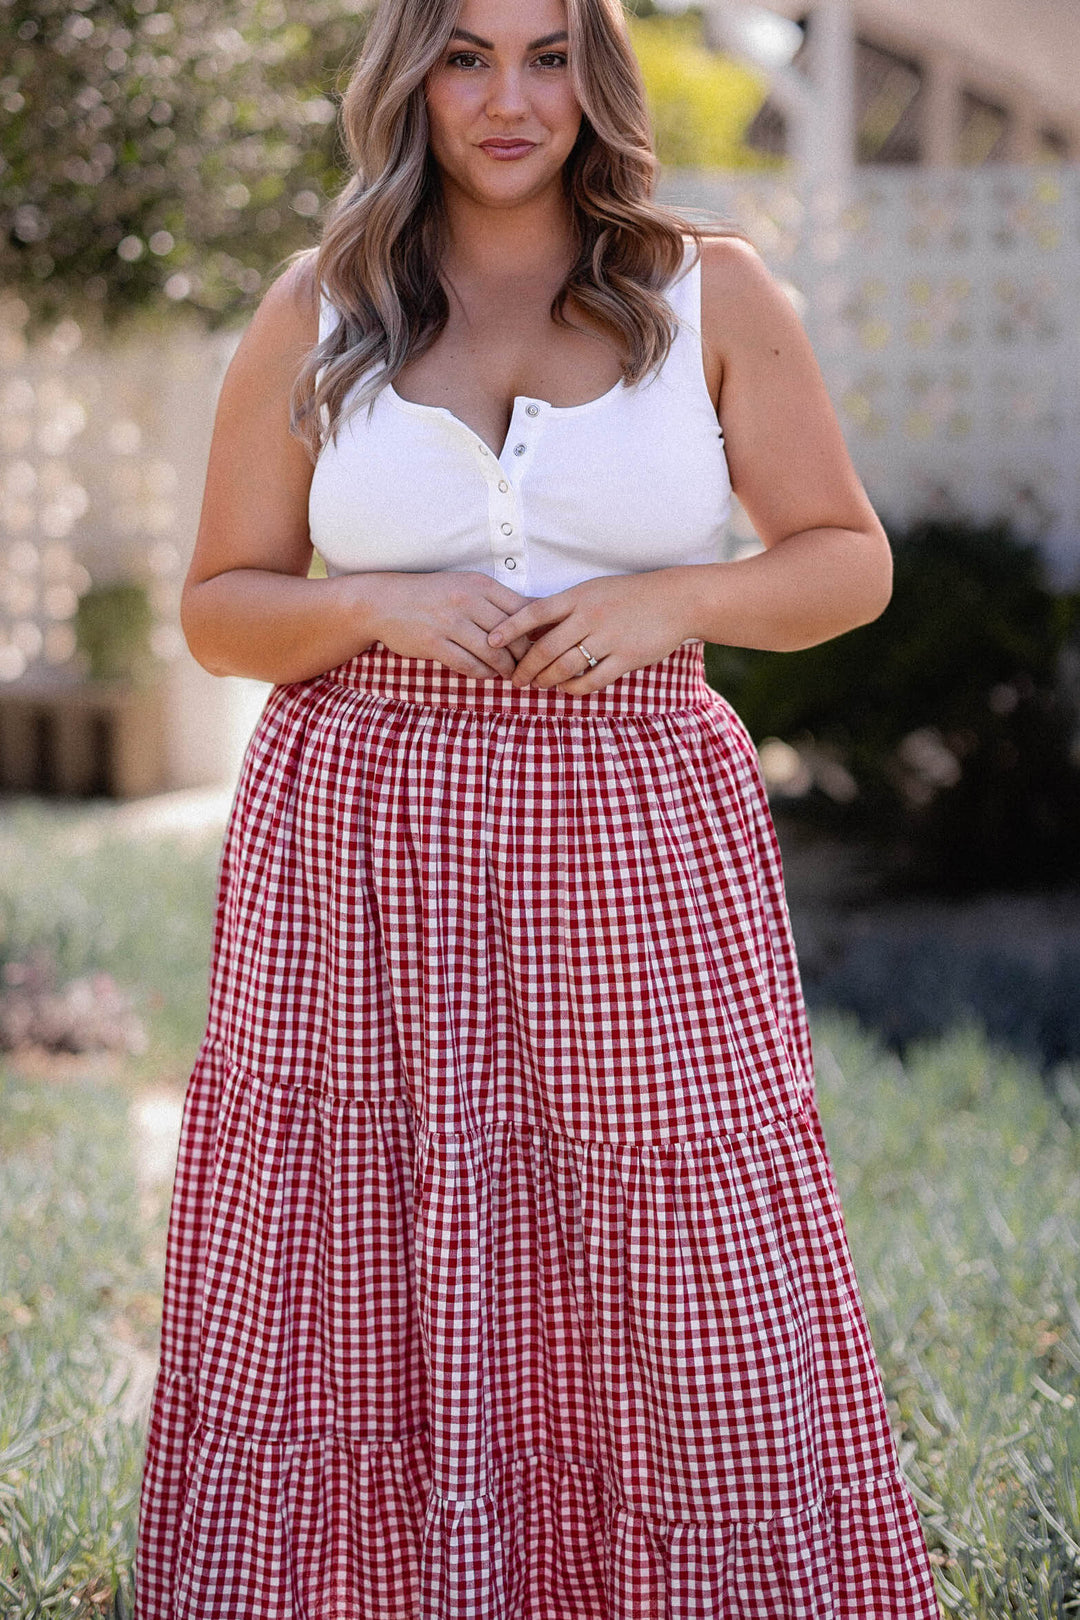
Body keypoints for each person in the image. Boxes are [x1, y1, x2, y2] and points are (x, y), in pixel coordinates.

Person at [133, 0, 943, 1614]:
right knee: (363, 1232)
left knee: (671, 1229)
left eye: (550, 52)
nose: (511, 96)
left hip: (635, 828)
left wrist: (672, 604)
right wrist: (373, 608)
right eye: (465, 53)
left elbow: (847, 562)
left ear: (599, 71)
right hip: (359, 844)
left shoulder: (707, 287)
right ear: (407, 74)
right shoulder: (321, 305)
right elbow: (222, 608)